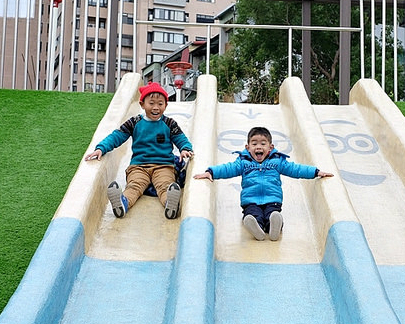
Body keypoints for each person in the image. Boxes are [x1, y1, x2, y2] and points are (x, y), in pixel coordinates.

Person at [193, 126, 333, 241]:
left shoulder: (277, 161)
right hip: (251, 200)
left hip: (273, 199)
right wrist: (211, 172)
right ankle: (256, 228)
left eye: (263, 143)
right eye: (254, 144)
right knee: (254, 215)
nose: (258, 147)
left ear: (270, 147)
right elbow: (227, 168)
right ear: (247, 147)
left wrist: (315, 172)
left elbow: (295, 169)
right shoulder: (243, 162)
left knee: (272, 213)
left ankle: (275, 225)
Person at [85, 82, 194, 219]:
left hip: (163, 166)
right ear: (142, 104)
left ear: (165, 105)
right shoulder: (135, 122)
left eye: (160, 104)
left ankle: (170, 204)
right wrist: (101, 148)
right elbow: (117, 136)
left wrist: (185, 148)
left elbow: (181, 138)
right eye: (151, 103)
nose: (156, 107)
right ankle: (122, 203)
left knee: (165, 185)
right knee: (134, 186)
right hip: (138, 166)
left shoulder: (169, 123)